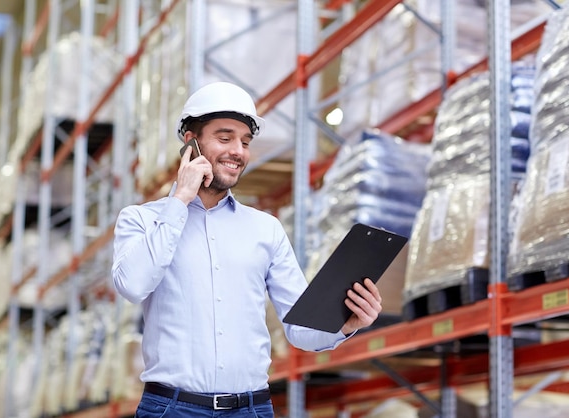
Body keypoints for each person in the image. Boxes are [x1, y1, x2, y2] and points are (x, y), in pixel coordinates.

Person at [112, 81, 383, 418]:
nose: (238, 151)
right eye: (224, 139)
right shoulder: (141, 219)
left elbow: (300, 329)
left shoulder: (264, 229)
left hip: (251, 409)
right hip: (171, 409)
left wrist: (344, 323)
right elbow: (133, 284)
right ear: (190, 142)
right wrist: (180, 199)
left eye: (245, 142)